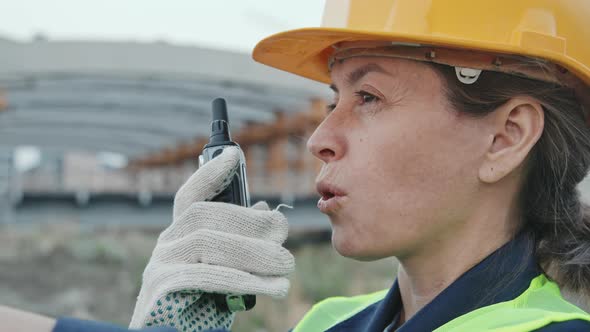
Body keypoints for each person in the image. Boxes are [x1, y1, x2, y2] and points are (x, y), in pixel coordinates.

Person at [5, 0, 590, 331]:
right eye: (333, 100)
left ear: (505, 138)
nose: (320, 138)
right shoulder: (335, 321)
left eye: (368, 98)